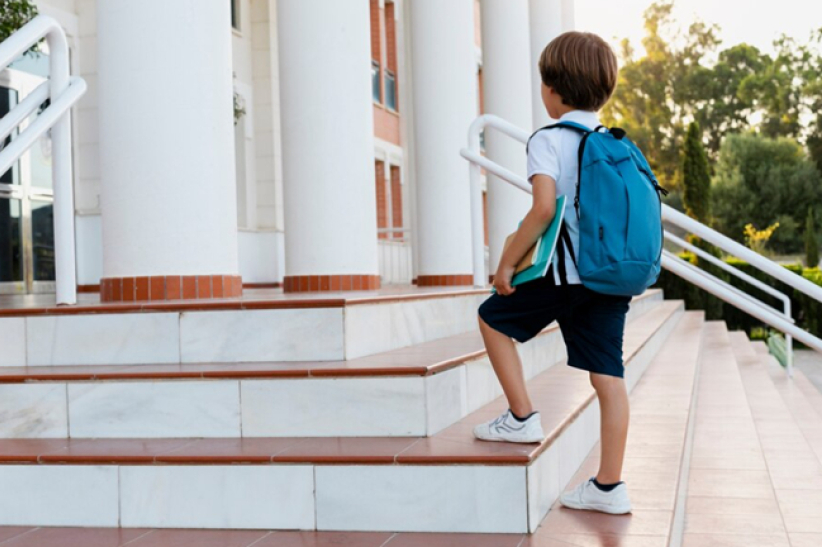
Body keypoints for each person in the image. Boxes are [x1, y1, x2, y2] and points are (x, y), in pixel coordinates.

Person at [472, 31, 633, 515]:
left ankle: (522, 417)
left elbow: (542, 211)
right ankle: (609, 488)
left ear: (552, 88)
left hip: (564, 276)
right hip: (610, 278)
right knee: (609, 377)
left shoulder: (549, 140)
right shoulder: (615, 143)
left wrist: (505, 264)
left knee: (491, 318)